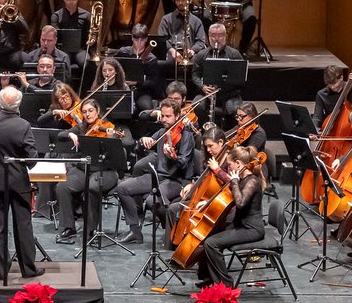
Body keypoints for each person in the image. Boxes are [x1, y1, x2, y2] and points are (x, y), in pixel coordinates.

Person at [115, 99, 195, 244]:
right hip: (159, 177)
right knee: (122, 188)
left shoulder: (186, 136)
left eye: (168, 116)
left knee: (152, 201)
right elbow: (139, 150)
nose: (164, 119)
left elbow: (182, 164)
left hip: (177, 181)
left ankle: (172, 228)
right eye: (162, 116)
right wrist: (142, 141)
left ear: (177, 116)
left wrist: (173, 158)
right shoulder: (162, 132)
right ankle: (135, 231)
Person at [0, 86, 40, 282]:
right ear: (19, 104)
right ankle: (28, 269)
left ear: (0, 103)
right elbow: (31, 161)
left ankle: (1, 270)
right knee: (23, 225)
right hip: (18, 183)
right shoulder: (23, 125)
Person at [55, 99, 130, 244]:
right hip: (84, 169)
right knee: (62, 186)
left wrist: (111, 138)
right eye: (84, 112)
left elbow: (126, 143)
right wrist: (70, 135)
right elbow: (60, 136)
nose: (88, 114)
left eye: (91, 111)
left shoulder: (108, 127)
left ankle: (91, 230)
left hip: (106, 171)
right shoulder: (81, 128)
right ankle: (69, 228)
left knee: (92, 188)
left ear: (97, 111)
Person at [194, 145, 265, 286]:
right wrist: (207, 203)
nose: (228, 167)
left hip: (251, 229)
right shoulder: (239, 179)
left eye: (229, 164)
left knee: (212, 243)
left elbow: (240, 203)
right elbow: (225, 193)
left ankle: (225, 285)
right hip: (240, 224)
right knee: (207, 234)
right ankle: (207, 278)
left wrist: (234, 182)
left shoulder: (251, 181)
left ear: (238, 164)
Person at [192, 23, 245, 128]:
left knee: (234, 108)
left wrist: (224, 86)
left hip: (230, 94)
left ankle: (231, 133)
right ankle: (205, 131)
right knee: (197, 104)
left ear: (225, 36)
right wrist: (202, 87)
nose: (216, 39)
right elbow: (195, 75)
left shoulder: (234, 55)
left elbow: (240, 79)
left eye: (220, 35)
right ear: (208, 36)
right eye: (213, 35)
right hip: (207, 94)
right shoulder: (201, 55)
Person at [313, 65, 352, 132]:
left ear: (341, 78)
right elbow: (317, 117)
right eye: (329, 84)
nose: (332, 87)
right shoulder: (321, 94)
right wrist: (314, 130)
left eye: (334, 83)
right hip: (332, 131)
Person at [158, 0, 206, 66]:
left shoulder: (197, 21)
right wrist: (172, 50)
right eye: (178, 0)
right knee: (165, 62)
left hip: (190, 52)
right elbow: (162, 39)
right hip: (172, 52)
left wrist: (193, 50)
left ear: (189, 0)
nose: (180, 3)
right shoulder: (166, 19)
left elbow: (201, 41)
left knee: (198, 62)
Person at [49, 0, 90, 69]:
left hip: (80, 49)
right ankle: (64, 82)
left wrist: (92, 39)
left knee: (86, 62)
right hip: (63, 49)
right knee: (63, 62)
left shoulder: (86, 15)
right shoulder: (56, 16)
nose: (71, 1)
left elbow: (91, 33)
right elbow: (55, 35)